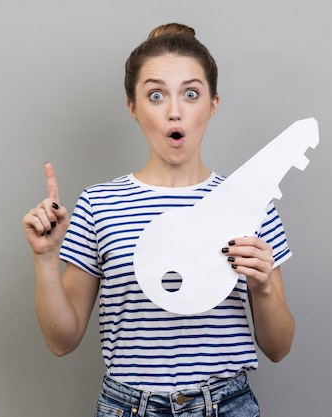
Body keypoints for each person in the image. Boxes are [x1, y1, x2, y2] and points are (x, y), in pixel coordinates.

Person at [23, 22, 294, 417]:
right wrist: (45, 259)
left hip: (226, 405)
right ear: (132, 107)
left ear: (213, 104)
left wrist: (264, 286)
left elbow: (279, 348)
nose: (174, 111)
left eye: (191, 93)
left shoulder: (249, 205)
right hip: (128, 407)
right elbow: (61, 341)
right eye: (155, 95)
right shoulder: (99, 205)